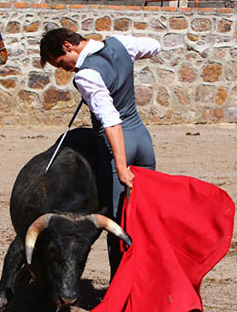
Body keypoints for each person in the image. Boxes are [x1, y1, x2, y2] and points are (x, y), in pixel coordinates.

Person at [40, 28, 161, 277]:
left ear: (67, 47)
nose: (67, 70)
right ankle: (147, 279)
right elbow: (155, 45)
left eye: (61, 64)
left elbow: (110, 120)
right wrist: (116, 53)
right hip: (143, 139)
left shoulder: (86, 75)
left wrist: (119, 164)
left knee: (117, 224)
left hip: (120, 144)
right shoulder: (121, 44)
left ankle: (121, 290)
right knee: (144, 217)